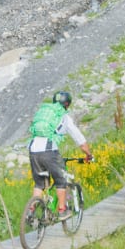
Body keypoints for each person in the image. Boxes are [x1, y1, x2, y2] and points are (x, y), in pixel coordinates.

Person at [28, 91, 93, 220]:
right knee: (61, 180)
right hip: (49, 151)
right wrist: (88, 154)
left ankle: (30, 212)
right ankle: (62, 210)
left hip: (33, 149)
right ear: (67, 104)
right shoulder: (64, 117)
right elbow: (79, 139)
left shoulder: (45, 113)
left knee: (39, 184)